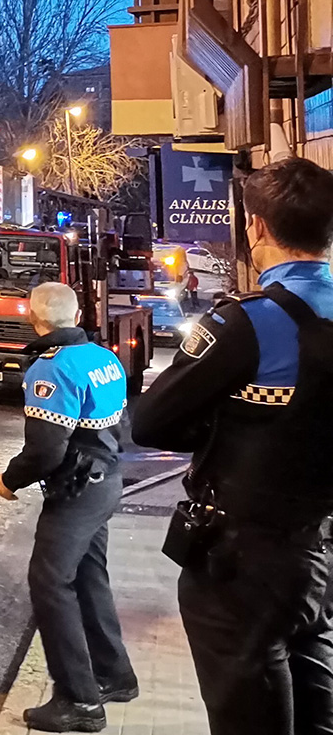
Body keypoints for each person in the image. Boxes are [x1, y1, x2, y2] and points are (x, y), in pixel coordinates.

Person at [132, 156, 333, 735]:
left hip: (239, 556)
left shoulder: (246, 323)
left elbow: (151, 423)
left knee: (248, 708)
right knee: (313, 682)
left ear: (257, 229)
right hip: (316, 546)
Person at [0, 280, 136, 733]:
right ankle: (113, 676)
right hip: (106, 481)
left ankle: (79, 701)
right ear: (76, 317)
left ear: (32, 317)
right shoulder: (104, 357)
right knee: (89, 577)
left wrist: (8, 481)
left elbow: (45, 451)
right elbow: (124, 428)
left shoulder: (50, 369)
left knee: (50, 583)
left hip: (75, 492)